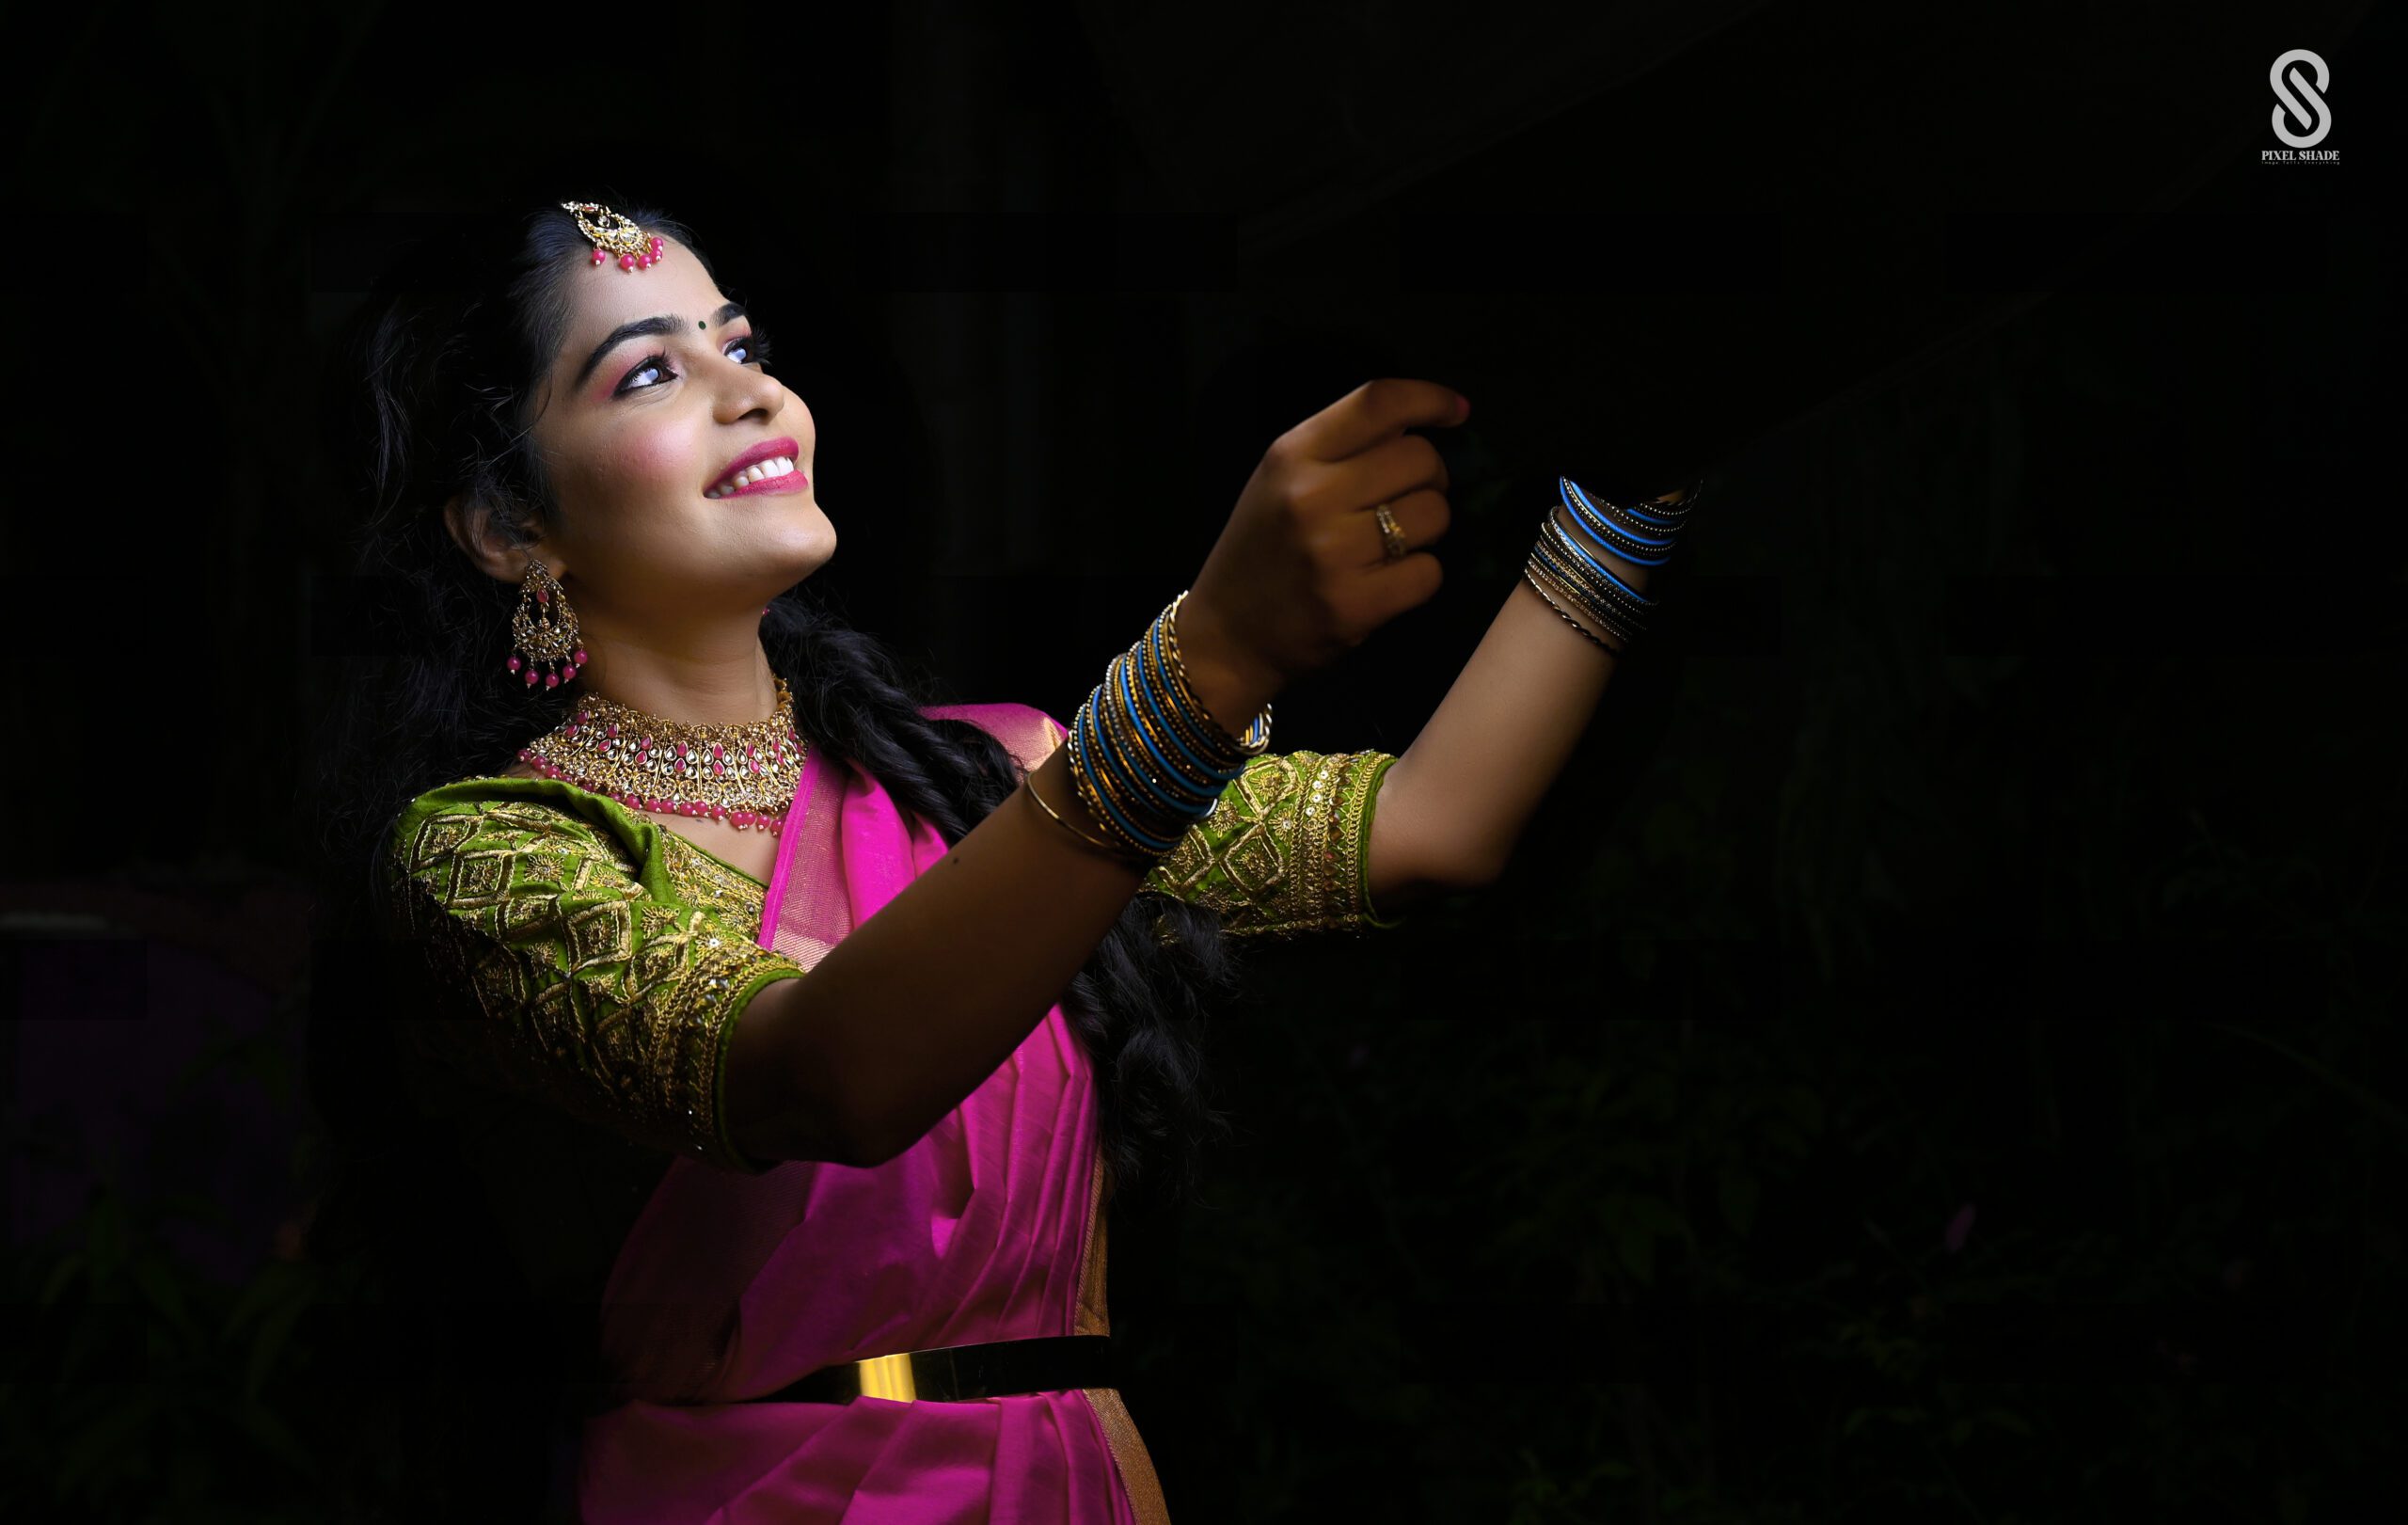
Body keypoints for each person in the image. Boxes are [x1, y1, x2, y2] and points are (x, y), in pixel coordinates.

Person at [303, 197, 1700, 1522]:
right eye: (650, 373)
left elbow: (1435, 826)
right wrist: (1211, 658)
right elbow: (825, 1075)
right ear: (512, 527)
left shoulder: (989, 777)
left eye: (745, 346)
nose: (750, 394)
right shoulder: (486, 853)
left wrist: (1630, 493)